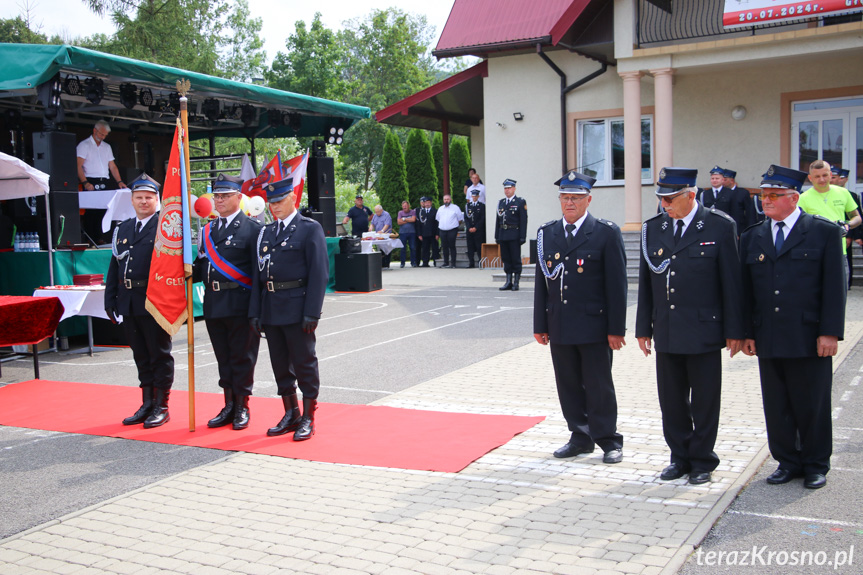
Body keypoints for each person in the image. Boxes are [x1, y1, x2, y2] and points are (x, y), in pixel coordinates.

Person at [635, 167, 744, 485]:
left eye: (670, 199)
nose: (665, 205)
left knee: (705, 400)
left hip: (704, 330)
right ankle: (679, 456)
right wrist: (644, 328)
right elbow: (646, 283)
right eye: (661, 199)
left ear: (691, 196)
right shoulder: (653, 228)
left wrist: (735, 330)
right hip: (667, 328)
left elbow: (732, 284)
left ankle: (702, 460)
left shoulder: (718, 225)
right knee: (671, 399)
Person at [741, 165, 845, 490]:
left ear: (794, 197)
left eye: (774, 195)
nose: (766, 201)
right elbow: (746, 291)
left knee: (811, 402)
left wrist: (830, 332)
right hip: (768, 335)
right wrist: (746, 332)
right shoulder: (752, 236)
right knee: (777, 404)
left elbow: (834, 288)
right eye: (763, 195)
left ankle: (815, 463)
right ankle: (786, 461)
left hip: (808, 336)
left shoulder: (823, 232)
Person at [534, 170, 627, 465]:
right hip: (560, 323)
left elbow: (617, 285)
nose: (569, 203)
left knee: (598, 384)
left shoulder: (605, 232)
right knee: (569, 384)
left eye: (575, 197)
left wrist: (616, 328)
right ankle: (579, 436)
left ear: (589, 199)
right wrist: (540, 324)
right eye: (565, 197)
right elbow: (541, 284)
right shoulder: (547, 233)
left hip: (594, 326)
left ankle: (609, 439)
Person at [250, 177, 328, 441]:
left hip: (297, 307)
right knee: (280, 364)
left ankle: (308, 416)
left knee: (304, 362)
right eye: (271, 202)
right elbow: (258, 277)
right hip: (271, 307)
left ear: (293, 198)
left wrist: (312, 312)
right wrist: (256, 312)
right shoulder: (267, 233)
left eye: (280, 201)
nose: (274, 206)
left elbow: (319, 273)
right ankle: (291, 412)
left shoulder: (309, 228)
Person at [104, 173, 174, 429]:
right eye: (139, 197)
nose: (144, 202)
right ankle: (147, 403)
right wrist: (110, 297)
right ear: (131, 199)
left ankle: (162, 405)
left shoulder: (166, 228)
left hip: (155, 301)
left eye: (149, 197)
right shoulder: (123, 228)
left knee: (159, 355)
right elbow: (115, 264)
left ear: (157, 200)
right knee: (141, 355)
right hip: (129, 300)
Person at [194, 173, 262, 431]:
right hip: (214, 302)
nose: (219, 200)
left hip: (240, 303)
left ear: (239, 197)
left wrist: (257, 310)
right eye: (217, 196)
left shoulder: (253, 229)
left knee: (242, 357)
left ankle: (243, 406)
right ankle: (229, 405)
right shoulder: (208, 230)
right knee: (223, 357)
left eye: (225, 195)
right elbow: (203, 266)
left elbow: (257, 274)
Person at [797, 160, 861, 286]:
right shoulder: (803, 198)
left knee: (840, 296)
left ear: (831, 175)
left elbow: (857, 217)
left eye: (825, 175)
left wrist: (847, 224)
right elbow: (797, 226)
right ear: (810, 178)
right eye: (817, 176)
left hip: (839, 253)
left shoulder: (843, 193)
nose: (822, 179)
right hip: (813, 255)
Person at [77, 120, 127, 243]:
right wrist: (85, 182)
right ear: (95, 131)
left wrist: (119, 181)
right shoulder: (84, 145)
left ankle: (101, 237)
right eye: (101, 134)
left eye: (105, 135)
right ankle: (90, 238)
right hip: (91, 180)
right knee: (91, 212)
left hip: (105, 179)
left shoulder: (107, 147)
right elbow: (78, 166)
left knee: (104, 210)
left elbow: (112, 166)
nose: (103, 137)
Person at [495, 179, 528, 290]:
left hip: (514, 234)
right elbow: (497, 220)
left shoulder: (520, 202)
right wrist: (497, 235)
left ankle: (516, 282)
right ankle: (508, 281)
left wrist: (523, 236)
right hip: (503, 234)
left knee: (515, 258)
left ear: (514, 188)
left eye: (509, 188)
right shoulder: (501, 202)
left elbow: (523, 220)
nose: (507, 190)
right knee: (506, 258)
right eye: (505, 188)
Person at [696, 166, 748, 234]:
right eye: (712, 178)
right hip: (709, 227)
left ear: (723, 180)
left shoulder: (731, 193)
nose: (714, 180)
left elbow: (736, 213)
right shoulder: (704, 194)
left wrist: (736, 231)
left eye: (717, 178)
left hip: (726, 227)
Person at [436, 194, 463, 268]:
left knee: (452, 246)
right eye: (445, 199)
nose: (446, 200)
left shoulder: (455, 208)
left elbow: (460, 219)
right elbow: (438, 219)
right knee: (444, 246)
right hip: (442, 230)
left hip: (452, 230)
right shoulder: (440, 208)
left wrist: (454, 225)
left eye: (447, 199)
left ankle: (453, 263)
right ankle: (446, 262)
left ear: (450, 200)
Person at [464, 189, 486, 268]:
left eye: (475, 196)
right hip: (469, 230)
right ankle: (471, 263)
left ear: (478, 196)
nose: (474, 197)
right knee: (470, 247)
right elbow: (466, 218)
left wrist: (476, 227)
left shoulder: (481, 206)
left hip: (478, 230)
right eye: (473, 196)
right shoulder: (468, 206)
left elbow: (482, 218)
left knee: (479, 246)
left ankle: (480, 262)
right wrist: (469, 227)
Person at [417, 196, 439, 267]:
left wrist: (437, 234)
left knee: (435, 248)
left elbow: (437, 223)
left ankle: (436, 262)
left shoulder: (435, 211)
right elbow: (419, 224)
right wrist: (419, 234)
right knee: (425, 249)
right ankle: (425, 262)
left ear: (431, 203)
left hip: (433, 233)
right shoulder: (421, 212)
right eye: (425, 203)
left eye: (428, 203)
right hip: (424, 234)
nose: (427, 204)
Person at [396, 200, 418, 268]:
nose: (404, 207)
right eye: (403, 206)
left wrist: (404, 219)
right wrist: (408, 220)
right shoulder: (400, 212)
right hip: (403, 233)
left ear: (409, 206)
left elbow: (413, 220)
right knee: (403, 248)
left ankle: (413, 262)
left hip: (412, 232)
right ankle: (402, 263)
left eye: (405, 206)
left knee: (413, 248)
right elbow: (399, 222)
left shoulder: (413, 212)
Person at [371, 204, 394, 268]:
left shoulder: (386, 215)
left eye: (378, 211)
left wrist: (382, 231)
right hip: (378, 237)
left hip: (386, 236)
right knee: (380, 251)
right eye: (375, 212)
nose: (377, 213)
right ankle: (381, 265)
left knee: (387, 250)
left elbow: (387, 224)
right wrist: (370, 228)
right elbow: (372, 224)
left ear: (381, 210)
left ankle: (387, 265)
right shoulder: (375, 216)